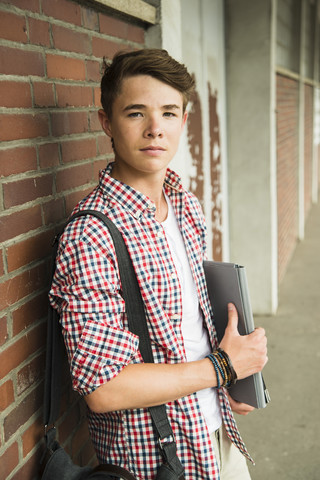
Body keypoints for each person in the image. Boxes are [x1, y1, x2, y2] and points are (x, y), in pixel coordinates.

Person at [49, 49, 268, 479]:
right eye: (136, 113)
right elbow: (104, 387)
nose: (155, 129)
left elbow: (189, 330)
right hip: (159, 462)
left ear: (183, 121)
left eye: (169, 113)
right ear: (107, 123)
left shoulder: (185, 206)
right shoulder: (91, 235)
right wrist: (223, 366)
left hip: (219, 436)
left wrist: (235, 377)